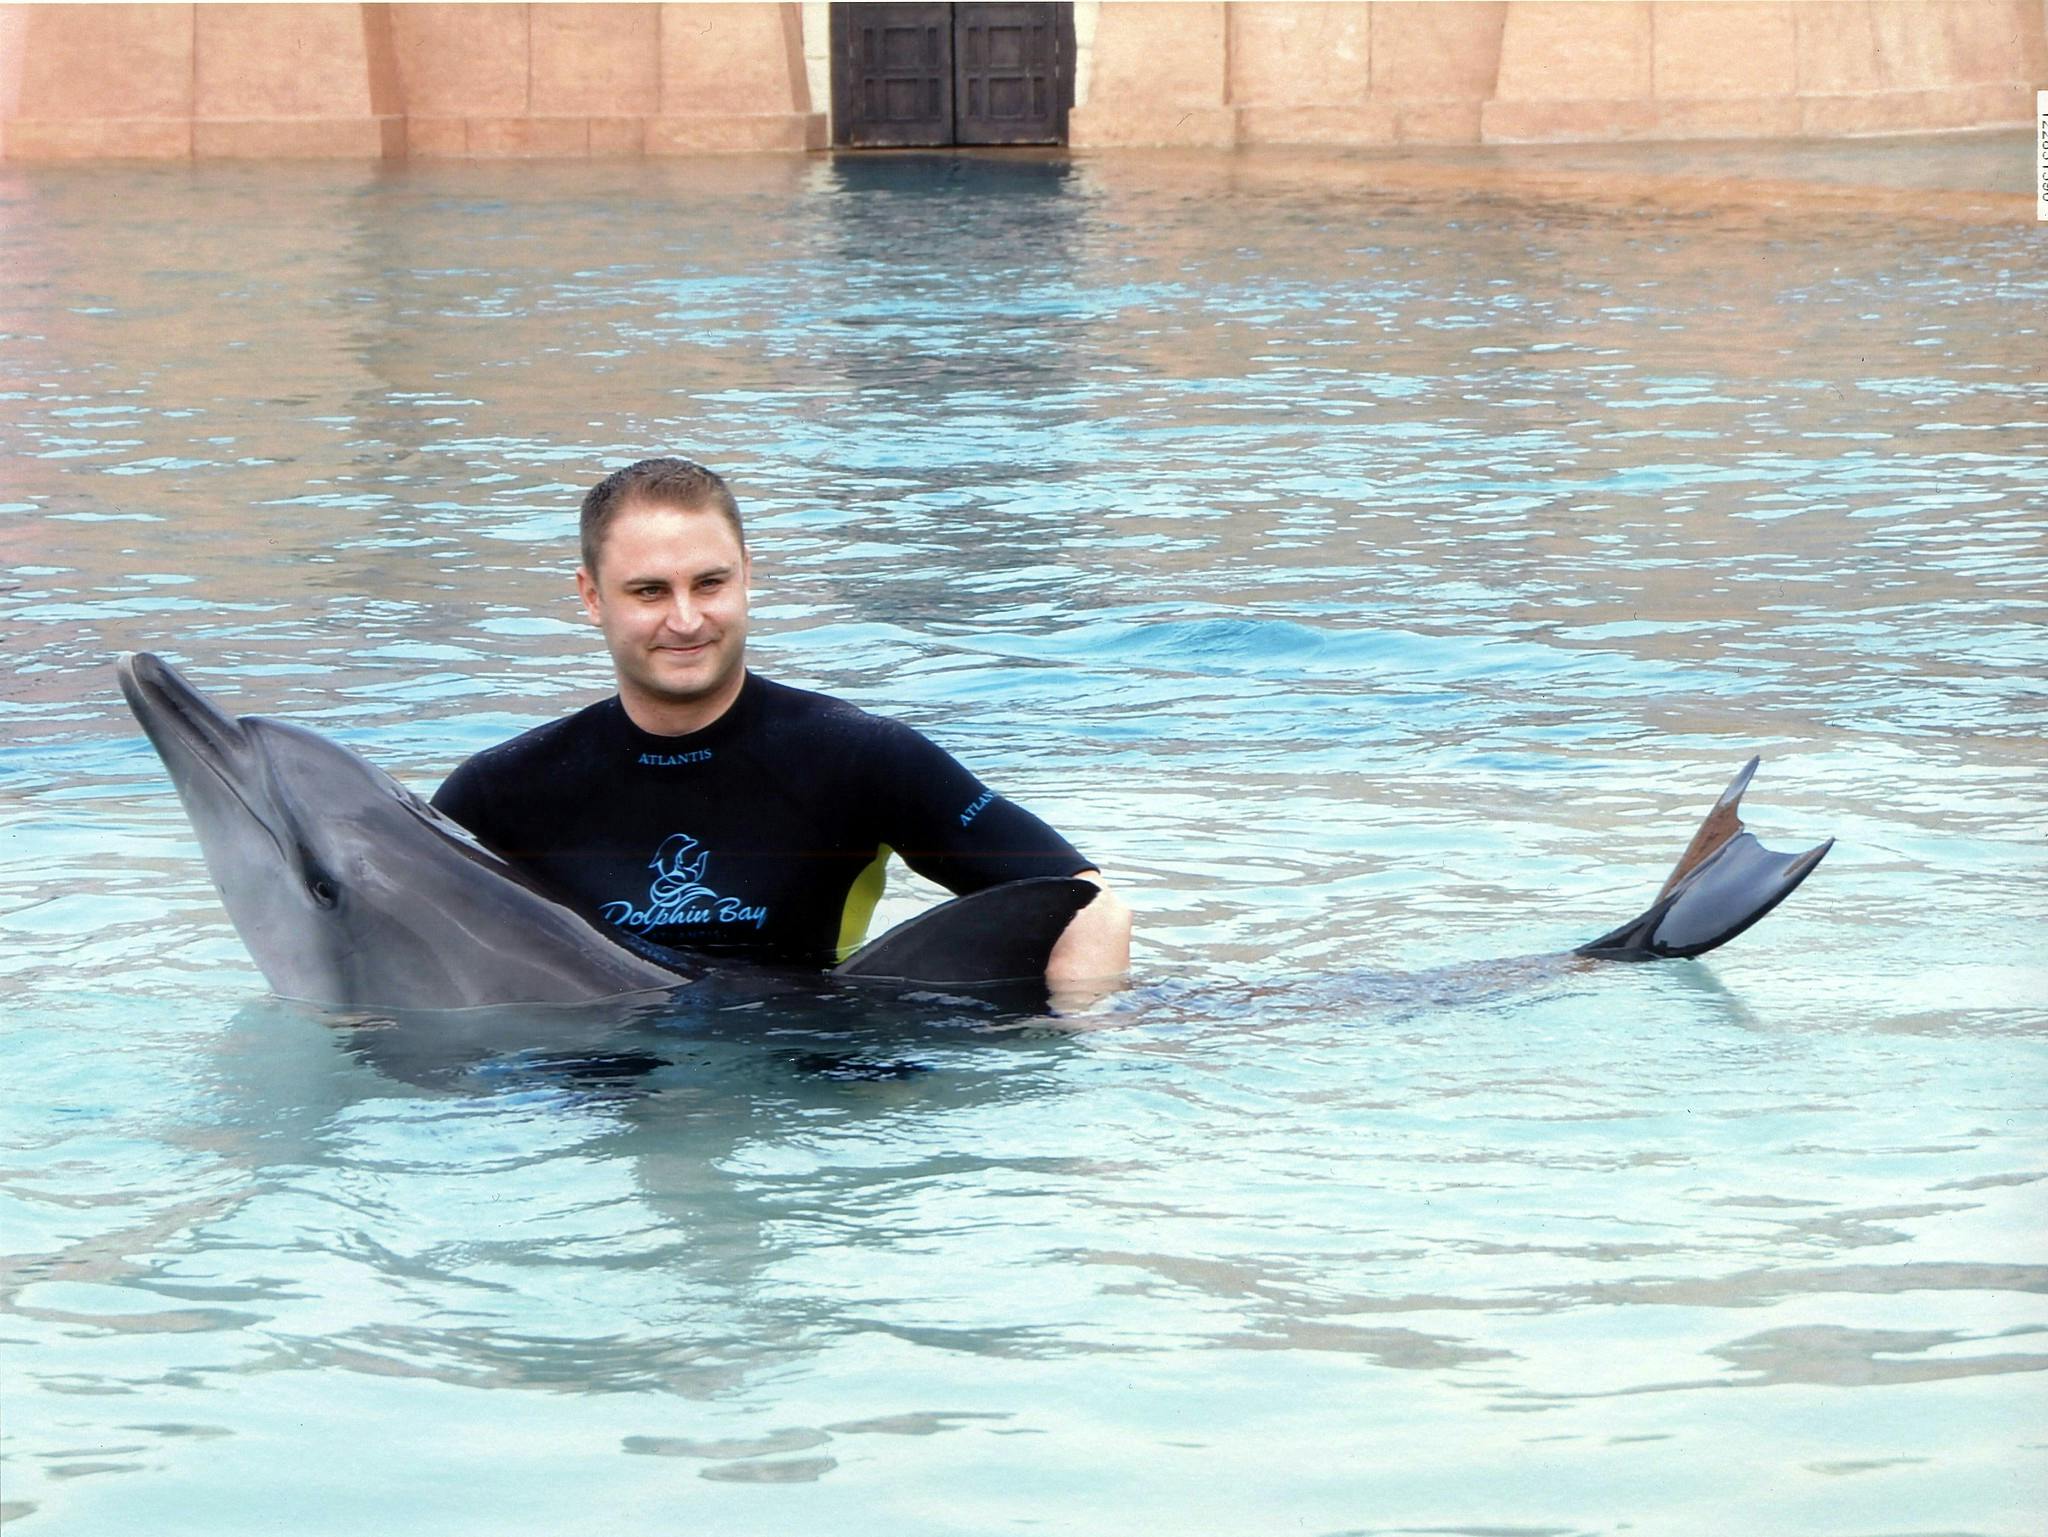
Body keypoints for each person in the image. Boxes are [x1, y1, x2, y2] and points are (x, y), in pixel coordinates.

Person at [432, 457, 1132, 989]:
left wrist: (1067, 1054)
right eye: (649, 591)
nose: (685, 619)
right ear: (591, 597)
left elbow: (1090, 905)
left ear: (746, 577)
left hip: (814, 1088)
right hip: (601, 1102)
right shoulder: (500, 794)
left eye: (710, 583)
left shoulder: (856, 757)